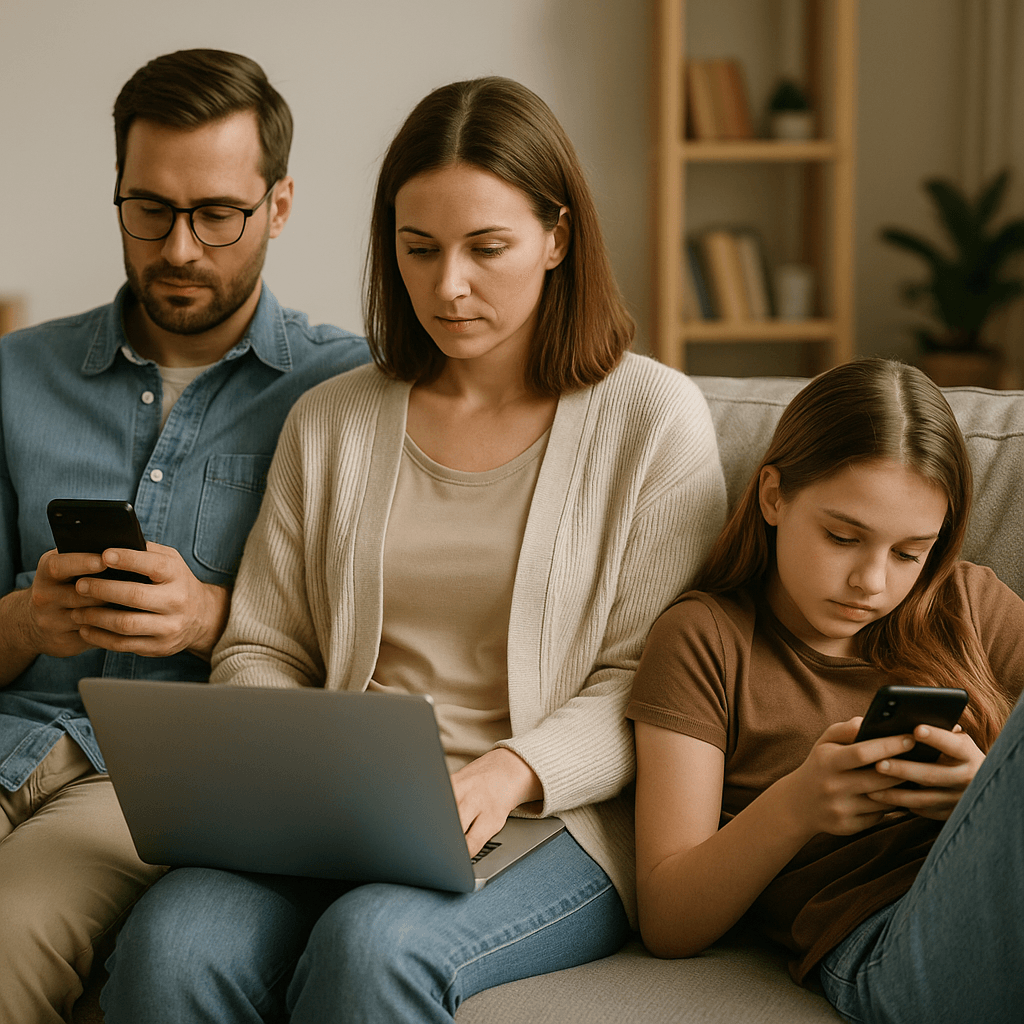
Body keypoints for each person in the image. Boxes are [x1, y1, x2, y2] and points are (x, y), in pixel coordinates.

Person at [100, 76, 727, 1022]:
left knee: (373, 946)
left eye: (487, 248)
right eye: (418, 248)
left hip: (547, 818)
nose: (448, 286)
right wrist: (304, 774)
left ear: (558, 238)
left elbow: (649, 682)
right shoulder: (335, 420)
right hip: (340, 816)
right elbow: (264, 643)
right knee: (171, 945)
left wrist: (508, 770)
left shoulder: (652, 421)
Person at [0, 48, 368, 1023]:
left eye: (217, 215)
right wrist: (31, 618)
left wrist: (216, 618)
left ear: (277, 206)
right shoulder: (14, 376)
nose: (178, 248)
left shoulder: (348, 392)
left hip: (163, 775)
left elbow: (387, 653)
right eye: (149, 209)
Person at [627, 358, 1024, 1024]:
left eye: (909, 553)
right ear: (774, 496)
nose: (872, 580)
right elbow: (667, 919)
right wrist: (800, 804)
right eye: (844, 537)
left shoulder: (966, 602)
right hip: (881, 939)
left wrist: (981, 797)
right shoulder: (706, 640)